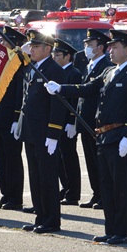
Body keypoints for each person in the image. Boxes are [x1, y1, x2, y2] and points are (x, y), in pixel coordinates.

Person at [46, 30, 127, 244]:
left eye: (115, 47)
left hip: (121, 135)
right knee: (107, 185)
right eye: (110, 47)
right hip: (104, 136)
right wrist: (61, 88)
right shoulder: (110, 72)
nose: (110, 50)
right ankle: (111, 228)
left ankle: (123, 231)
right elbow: (88, 88)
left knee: (122, 186)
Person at [18, 30, 66, 234]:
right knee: (35, 176)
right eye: (31, 47)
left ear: (48, 49)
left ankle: (51, 219)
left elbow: (58, 106)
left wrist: (53, 133)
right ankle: (40, 216)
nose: (32, 50)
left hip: (45, 134)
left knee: (47, 177)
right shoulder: (33, 68)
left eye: (36, 47)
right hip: (31, 132)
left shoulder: (53, 70)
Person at [0, 27, 26, 211]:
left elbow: (20, 93)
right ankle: (5, 194)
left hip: (10, 119)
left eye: (5, 42)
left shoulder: (19, 65)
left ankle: (15, 197)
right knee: (1, 159)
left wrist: (16, 117)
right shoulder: (1, 64)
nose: (1, 44)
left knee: (12, 159)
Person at [76, 29, 112, 209]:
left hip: (96, 122)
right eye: (85, 45)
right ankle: (96, 193)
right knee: (90, 160)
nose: (86, 48)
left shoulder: (106, 65)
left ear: (100, 47)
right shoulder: (88, 64)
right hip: (84, 120)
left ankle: (103, 196)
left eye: (90, 45)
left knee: (99, 161)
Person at [52, 38, 82, 206]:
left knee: (69, 157)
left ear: (67, 56)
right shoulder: (57, 72)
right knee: (60, 158)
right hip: (57, 121)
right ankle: (66, 187)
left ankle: (73, 192)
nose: (55, 57)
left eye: (58, 54)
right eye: (54, 54)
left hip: (68, 122)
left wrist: (72, 121)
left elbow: (75, 100)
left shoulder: (74, 73)